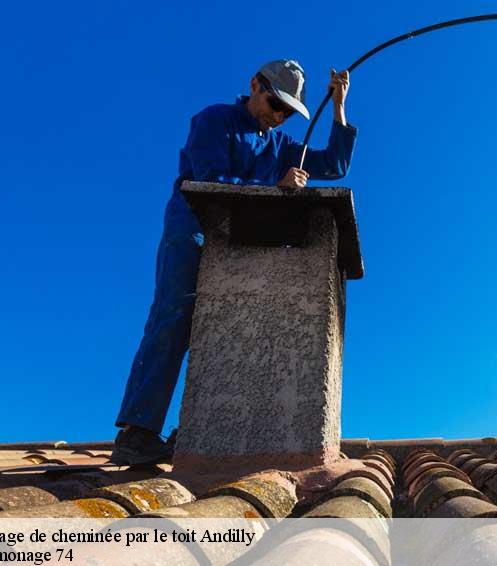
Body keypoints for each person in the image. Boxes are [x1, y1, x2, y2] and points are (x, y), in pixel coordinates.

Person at [111, 59, 357, 465]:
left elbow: (333, 164)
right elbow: (208, 180)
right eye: (275, 104)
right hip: (191, 231)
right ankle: (137, 433)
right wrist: (273, 185)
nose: (279, 117)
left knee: (232, 325)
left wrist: (339, 108)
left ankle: (201, 429)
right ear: (255, 85)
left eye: (286, 112)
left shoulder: (280, 146)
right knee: (174, 318)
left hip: (238, 245)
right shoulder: (213, 121)